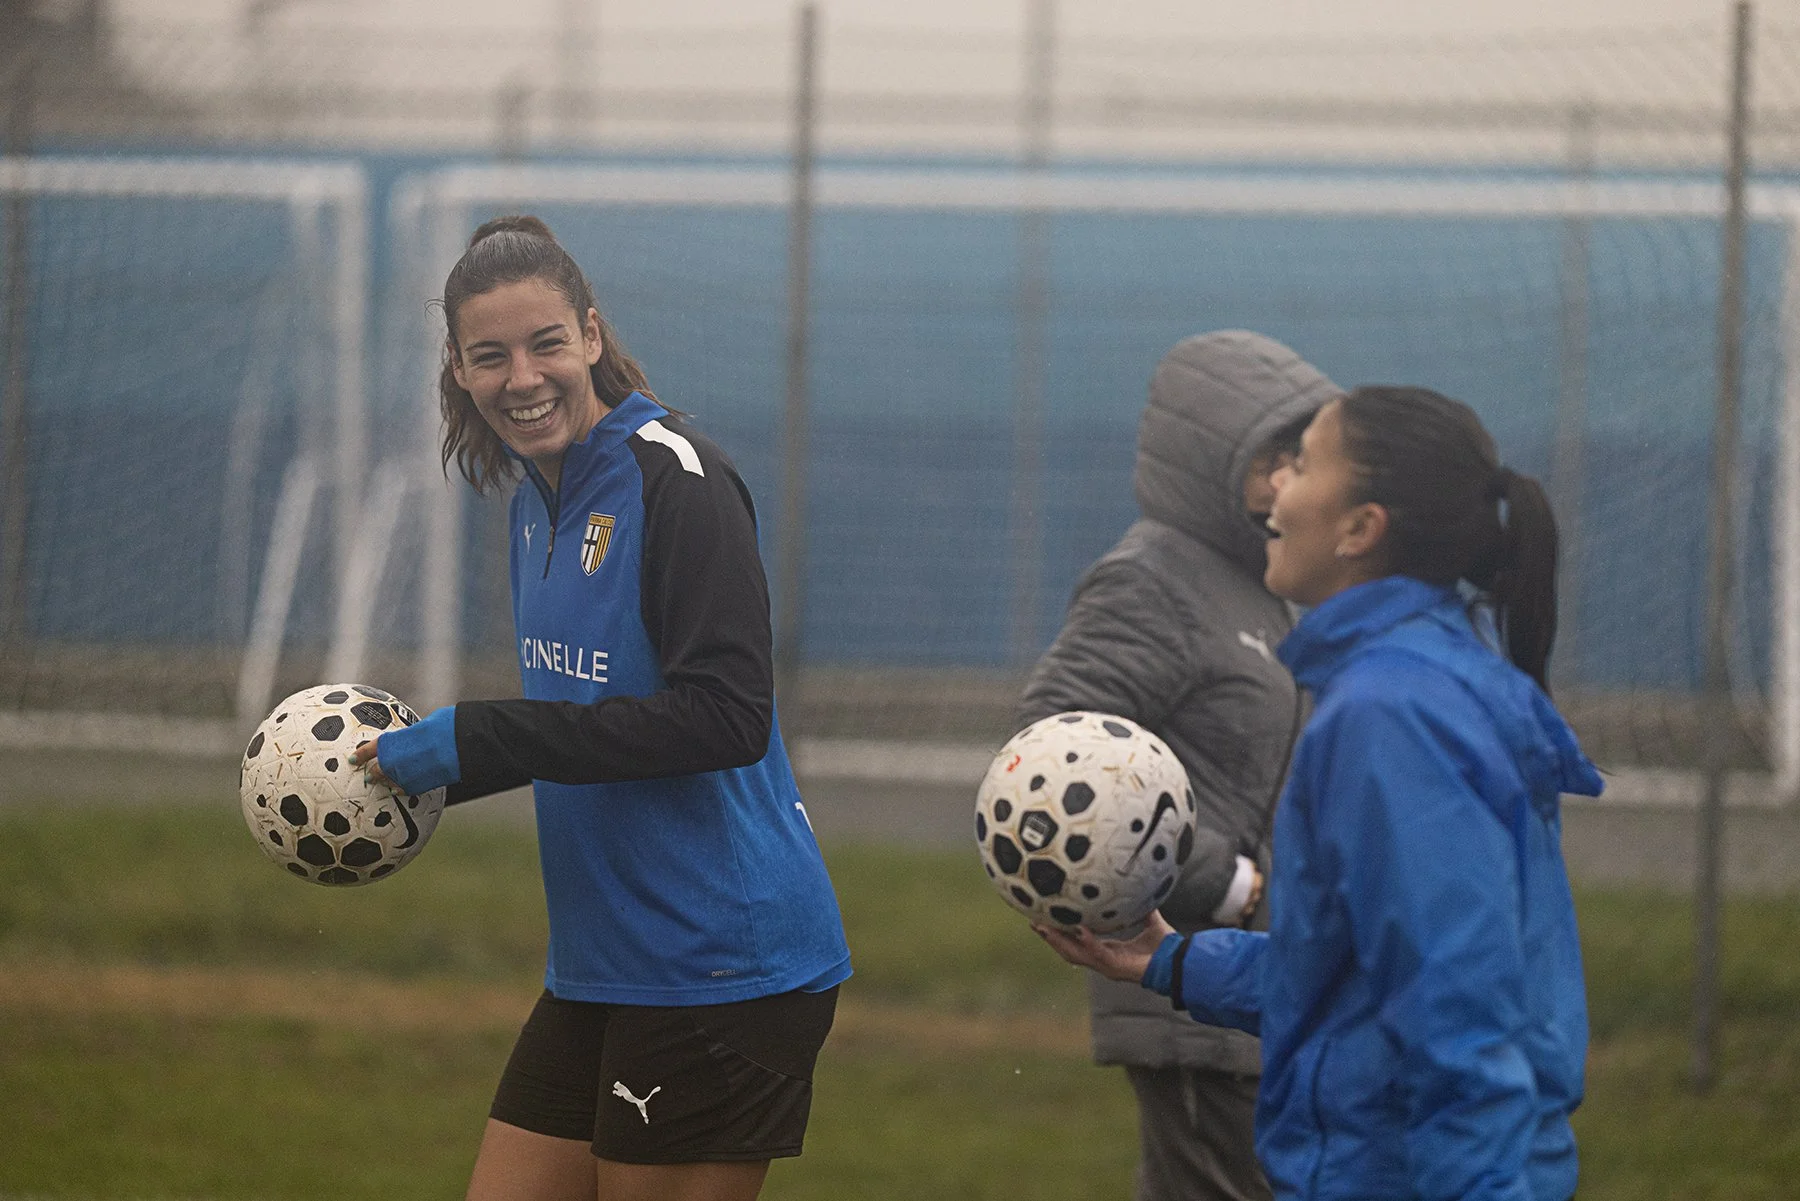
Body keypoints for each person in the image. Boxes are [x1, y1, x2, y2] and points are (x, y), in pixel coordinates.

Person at [348, 215, 851, 1201]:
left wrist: (479, 734)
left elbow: (723, 717)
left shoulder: (680, 478)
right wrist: (415, 760)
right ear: (457, 368)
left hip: (720, 962)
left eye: (545, 344)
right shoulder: (537, 492)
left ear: (590, 332)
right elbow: (589, 714)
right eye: (490, 356)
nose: (522, 377)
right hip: (604, 961)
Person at [1037, 386, 1603, 1201]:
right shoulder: (1418, 679)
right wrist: (1168, 959)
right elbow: (1358, 979)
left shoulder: (1392, 715)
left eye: (1299, 465)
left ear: (1359, 528)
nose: (1274, 492)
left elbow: (1458, 1010)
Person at [1016, 330, 1339, 1201]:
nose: (1285, 482)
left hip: (1269, 977)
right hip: (1188, 985)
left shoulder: (1271, 580)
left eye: (1299, 457)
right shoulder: (1151, 579)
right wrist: (1227, 885)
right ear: (1206, 457)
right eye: (1266, 457)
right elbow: (1051, 748)